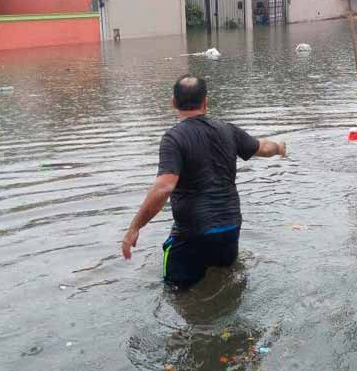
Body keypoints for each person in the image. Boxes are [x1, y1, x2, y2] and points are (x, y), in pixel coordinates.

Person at [122, 74, 286, 289]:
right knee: (227, 285)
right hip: (230, 227)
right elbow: (264, 148)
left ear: (173, 102)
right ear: (205, 101)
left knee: (176, 293)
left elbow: (164, 187)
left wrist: (134, 227)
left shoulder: (174, 138)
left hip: (192, 233)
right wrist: (280, 147)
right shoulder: (227, 129)